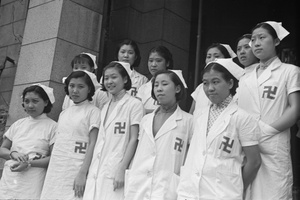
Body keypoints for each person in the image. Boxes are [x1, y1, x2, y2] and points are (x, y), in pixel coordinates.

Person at [177, 58, 261, 199]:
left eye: (215, 82)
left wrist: (236, 187)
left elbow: (254, 161)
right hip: (190, 191)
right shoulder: (198, 115)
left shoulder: (242, 118)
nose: (210, 88)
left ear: (230, 83)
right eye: (205, 83)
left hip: (223, 193)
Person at [238, 21, 300, 200]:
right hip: (247, 148)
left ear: (276, 41)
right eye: (253, 39)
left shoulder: (290, 71)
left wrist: (265, 131)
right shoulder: (244, 78)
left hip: (273, 146)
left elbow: (295, 109)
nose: (256, 43)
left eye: (262, 38)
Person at [124, 70, 192, 200]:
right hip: (139, 185)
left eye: (164, 84)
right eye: (156, 85)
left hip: (167, 188)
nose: (159, 89)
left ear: (177, 88)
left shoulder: (189, 121)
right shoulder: (145, 119)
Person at [83, 61, 144, 200]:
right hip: (97, 170)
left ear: (125, 79)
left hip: (116, 169)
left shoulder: (134, 104)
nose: (109, 81)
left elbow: (134, 139)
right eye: (106, 78)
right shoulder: (104, 107)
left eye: (114, 77)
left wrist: (122, 169)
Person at [40, 70, 101, 199]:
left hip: (76, 168)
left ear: (89, 89)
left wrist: (82, 173)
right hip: (56, 170)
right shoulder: (63, 114)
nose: (75, 90)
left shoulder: (93, 112)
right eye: (72, 86)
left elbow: (93, 143)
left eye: (80, 86)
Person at [0, 84, 57, 199]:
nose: (30, 105)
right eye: (26, 101)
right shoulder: (18, 124)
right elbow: (2, 149)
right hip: (10, 178)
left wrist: (29, 163)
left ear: (46, 102)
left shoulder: (53, 127)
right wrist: (13, 154)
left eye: (35, 101)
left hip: (33, 180)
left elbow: (55, 158)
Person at [189, 43, 237, 116]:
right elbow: (191, 113)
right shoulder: (200, 88)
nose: (212, 59)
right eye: (208, 56)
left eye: (216, 56)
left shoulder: (236, 87)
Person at [137, 45, 174, 114]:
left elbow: (170, 110)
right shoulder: (143, 88)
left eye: (158, 61)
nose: (153, 64)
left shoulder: (173, 84)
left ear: (167, 63)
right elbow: (136, 110)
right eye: (150, 61)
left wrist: (145, 111)